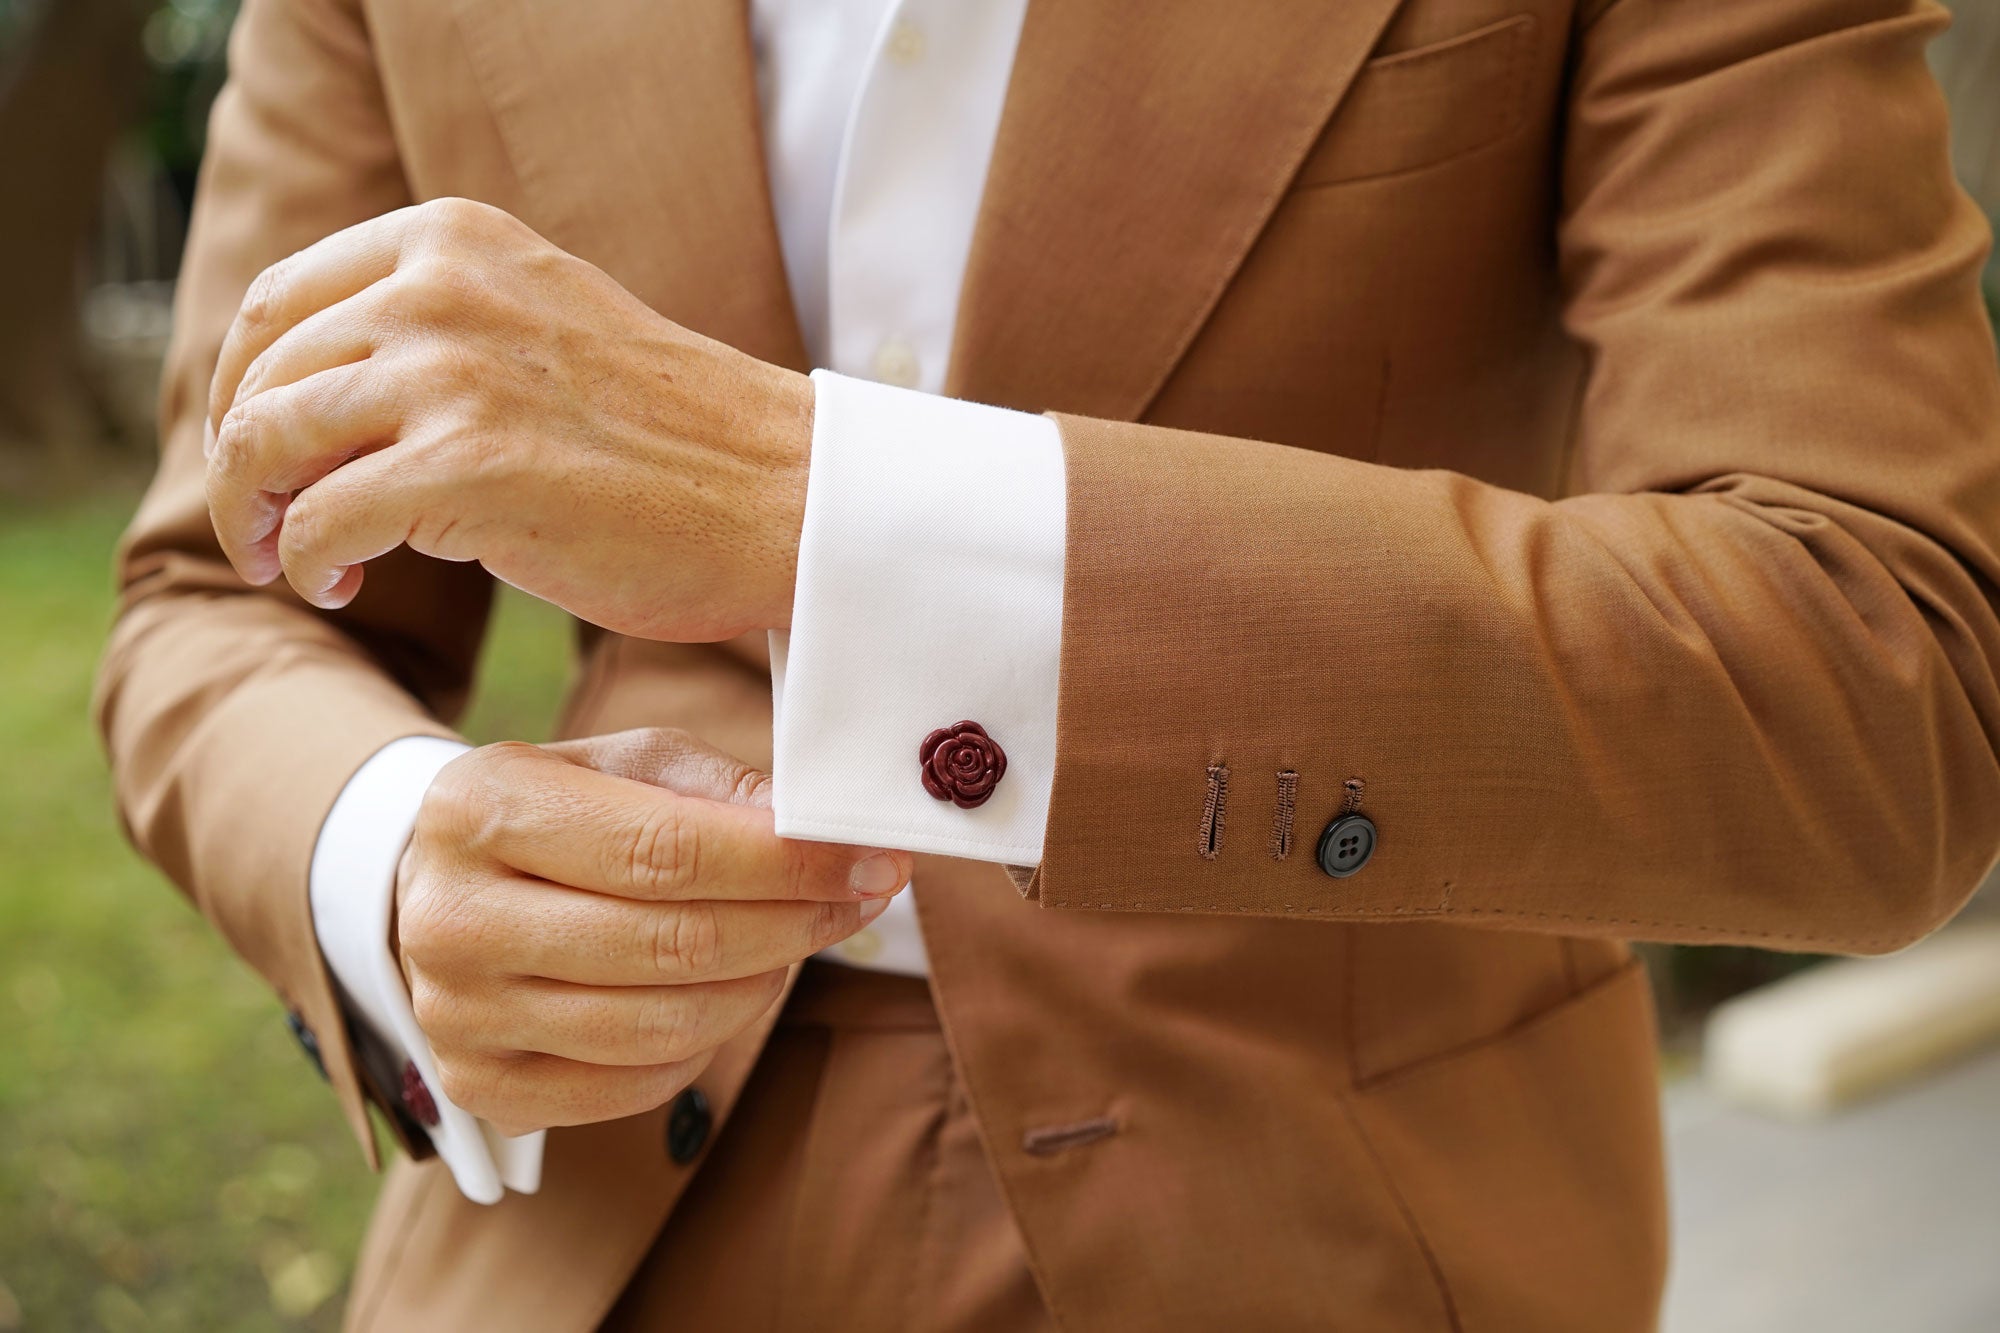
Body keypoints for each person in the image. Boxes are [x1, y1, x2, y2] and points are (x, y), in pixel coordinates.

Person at [98, 0, 2000, 1328]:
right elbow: (219, 595)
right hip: (585, 1226)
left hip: (1331, 1223)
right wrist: (385, 851)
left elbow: (1875, 680)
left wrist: (807, 493)